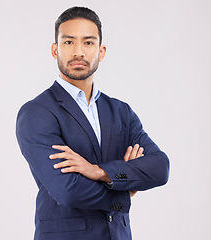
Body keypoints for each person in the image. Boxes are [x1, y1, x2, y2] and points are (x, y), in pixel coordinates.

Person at [16, 6, 169, 240]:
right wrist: (125, 191)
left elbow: (160, 168)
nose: (79, 52)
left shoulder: (121, 112)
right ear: (55, 50)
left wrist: (100, 172)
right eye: (69, 43)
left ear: (102, 51)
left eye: (88, 43)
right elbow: (68, 191)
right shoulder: (37, 112)